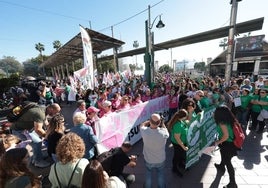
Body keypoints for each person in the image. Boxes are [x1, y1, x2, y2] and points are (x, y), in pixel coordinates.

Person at [10, 101, 50, 168]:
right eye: (56, 112)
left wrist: (49, 129)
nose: (56, 114)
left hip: (24, 129)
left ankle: (37, 157)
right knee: (37, 142)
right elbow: (38, 130)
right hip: (19, 130)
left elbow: (45, 121)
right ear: (51, 109)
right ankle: (38, 161)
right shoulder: (40, 113)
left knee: (37, 141)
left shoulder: (42, 109)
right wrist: (48, 136)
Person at [140, 113, 169, 188]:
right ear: (159, 122)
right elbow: (165, 130)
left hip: (148, 159)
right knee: (160, 174)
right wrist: (162, 123)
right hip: (160, 159)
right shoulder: (164, 133)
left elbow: (142, 125)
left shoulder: (144, 131)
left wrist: (148, 121)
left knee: (148, 173)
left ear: (150, 121)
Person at [214, 105, 239, 188]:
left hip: (228, 144)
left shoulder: (222, 123)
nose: (214, 113)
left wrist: (218, 142)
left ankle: (233, 183)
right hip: (229, 144)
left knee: (228, 163)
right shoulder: (230, 119)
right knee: (224, 156)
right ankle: (221, 166)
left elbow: (226, 136)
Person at [167, 109, 189, 177]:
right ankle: (175, 168)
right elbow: (177, 138)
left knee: (181, 154)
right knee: (177, 156)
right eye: (186, 117)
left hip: (181, 142)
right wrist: (183, 147)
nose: (186, 118)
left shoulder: (180, 121)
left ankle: (180, 164)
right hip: (177, 143)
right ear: (182, 117)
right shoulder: (177, 125)